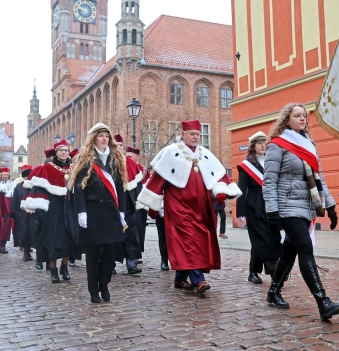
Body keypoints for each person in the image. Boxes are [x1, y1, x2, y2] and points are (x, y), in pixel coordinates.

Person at [138, 119, 242, 294]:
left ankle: (180, 278)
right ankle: (198, 279)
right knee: (189, 239)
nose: (195, 137)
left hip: (202, 208)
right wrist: (153, 204)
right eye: (192, 134)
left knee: (197, 240)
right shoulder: (171, 152)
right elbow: (158, 179)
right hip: (179, 207)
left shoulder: (205, 153)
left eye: (198, 134)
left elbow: (219, 177)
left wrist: (223, 191)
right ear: (183, 134)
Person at [263, 103, 339, 320]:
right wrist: (272, 212)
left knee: (290, 251)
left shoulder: (309, 144)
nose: (302, 119)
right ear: (286, 119)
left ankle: (273, 292)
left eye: (304, 116)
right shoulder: (277, 146)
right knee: (305, 248)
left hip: (307, 206)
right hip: (287, 207)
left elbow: (320, 179)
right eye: (297, 115)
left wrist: (331, 205)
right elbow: (269, 182)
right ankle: (323, 301)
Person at [70, 123, 127, 303]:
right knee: (93, 256)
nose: (104, 139)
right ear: (94, 138)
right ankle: (93, 289)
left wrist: (122, 211)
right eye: (101, 136)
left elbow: (119, 187)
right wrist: (81, 213)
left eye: (106, 136)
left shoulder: (114, 158)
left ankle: (104, 284)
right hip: (92, 213)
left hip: (110, 213)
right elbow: (79, 189)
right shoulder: (86, 158)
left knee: (109, 254)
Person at [25, 140, 77, 284]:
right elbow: (39, 189)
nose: (64, 153)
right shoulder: (47, 168)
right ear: (56, 152)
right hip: (53, 208)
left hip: (69, 206)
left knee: (69, 238)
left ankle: (64, 267)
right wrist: (40, 208)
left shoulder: (73, 167)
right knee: (53, 239)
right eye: (61, 150)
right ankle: (53, 270)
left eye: (66, 150)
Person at [236, 131, 282, 284]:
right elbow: (241, 189)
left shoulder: (272, 161)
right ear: (253, 146)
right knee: (261, 238)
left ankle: (252, 272)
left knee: (272, 238)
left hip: (271, 205)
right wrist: (240, 211)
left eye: (265, 142)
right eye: (259, 143)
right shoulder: (247, 165)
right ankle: (273, 270)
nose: (263, 145)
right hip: (254, 206)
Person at [114, 135, 143, 274]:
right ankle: (110, 264)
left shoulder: (130, 163)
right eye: (117, 145)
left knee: (130, 233)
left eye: (121, 145)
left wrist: (138, 201)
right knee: (113, 233)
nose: (119, 148)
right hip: (112, 202)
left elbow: (138, 184)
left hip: (128, 201)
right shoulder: (106, 161)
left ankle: (131, 263)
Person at [10, 164, 34, 261]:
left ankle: (29, 251)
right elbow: (14, 200)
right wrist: (13, 212)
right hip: (21, 214)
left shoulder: (34, 187)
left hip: (33, 213)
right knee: (24, 233)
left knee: (31, 233)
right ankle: (25, 252)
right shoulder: (18, 187)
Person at [0, 167, 13, 254]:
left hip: (8, 206)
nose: (5, 176)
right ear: (1, 175)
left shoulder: (12, 185)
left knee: (6, 227)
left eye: (7, 175)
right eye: (4, 175)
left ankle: (3, 245)